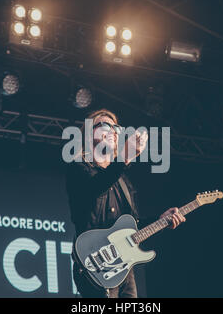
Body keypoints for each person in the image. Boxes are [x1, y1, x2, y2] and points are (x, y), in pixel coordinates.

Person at [65, 109, 186, 298]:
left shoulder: (123, 182)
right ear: (89, 133)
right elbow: (96, 187)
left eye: (116, 127)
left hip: (124, 269)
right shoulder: (79, 167)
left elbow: (132, 227)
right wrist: (125, 156)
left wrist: (161, 220)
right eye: (105, 125)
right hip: (96, 264)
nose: (113, 130)